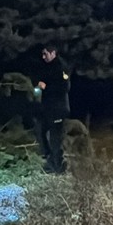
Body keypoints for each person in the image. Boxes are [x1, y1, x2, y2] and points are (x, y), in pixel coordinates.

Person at [33, 44, 71, 174]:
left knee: (56, 140)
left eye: (45, 54)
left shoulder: (61, 67)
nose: (43, 57)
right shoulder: (46, 67)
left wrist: (46, 87)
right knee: (41, 132)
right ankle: (50, 162)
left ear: (53, 53)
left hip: (58, 109)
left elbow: (64, 88)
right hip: (47, 109)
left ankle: (59, 168)